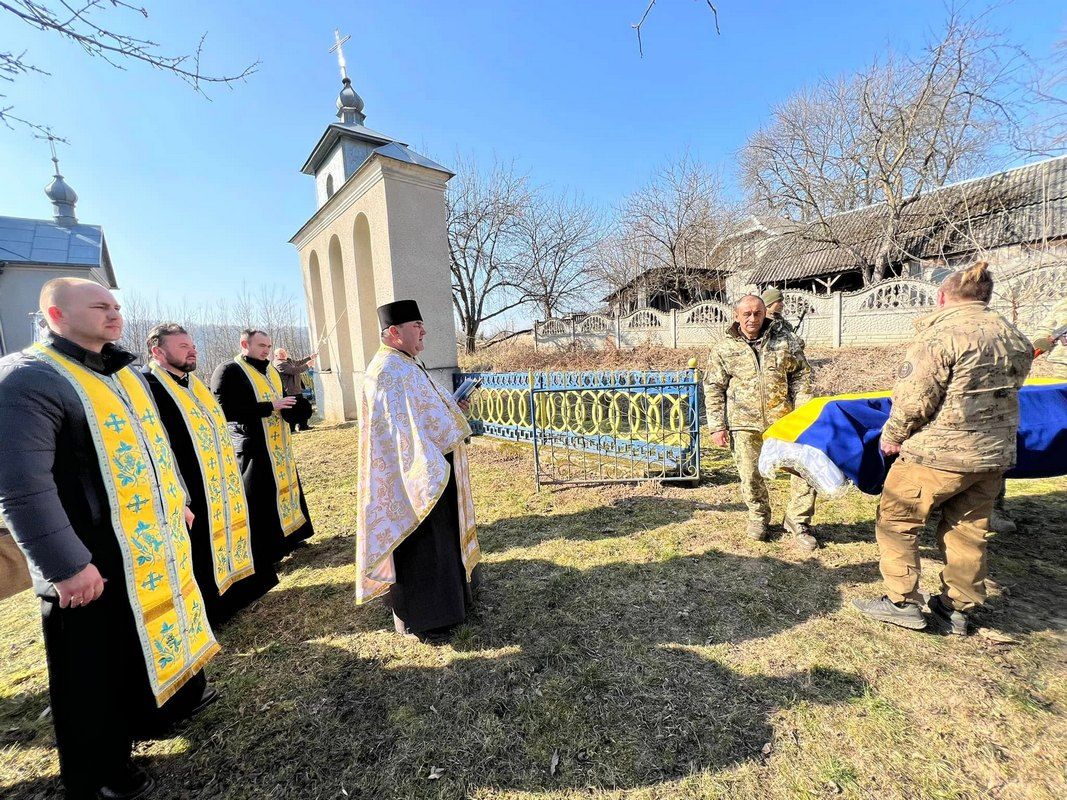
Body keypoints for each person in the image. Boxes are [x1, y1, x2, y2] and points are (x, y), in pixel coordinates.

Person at [0, 278, 220, 800]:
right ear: (55, 315)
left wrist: (178, 499)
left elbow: (154, 445)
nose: (114, 313)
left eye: (116, 305)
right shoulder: (26, 379)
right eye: (99, 306)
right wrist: (64, 565)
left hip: (142, 543)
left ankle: (154, 712)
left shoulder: (122, 374)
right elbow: (21, 485)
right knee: (87, 671)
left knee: (136, 642)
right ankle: (99, 773)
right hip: (87, 556)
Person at [853, 262, 1033, 635]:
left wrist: (893, 435)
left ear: (941, 296)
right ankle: (957, 609)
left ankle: (902, 601)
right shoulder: (1012, 335)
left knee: (898, 521)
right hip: (991, 456)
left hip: (937, 454)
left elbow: (915, 398)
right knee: (969, 530)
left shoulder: (941, 335)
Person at [355, 300, 481, 645]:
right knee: (424, 546)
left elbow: (421, 414)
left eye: (423, 325)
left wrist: (453, 408)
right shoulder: (386, 371)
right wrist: (445, 430)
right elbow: (398, 433)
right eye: (416, 326)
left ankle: (451, 603)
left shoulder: (407, 364)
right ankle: (429, 616)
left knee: (442, 541)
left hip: (434, 465)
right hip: (413, 477)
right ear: (394, 332)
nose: (424, 331)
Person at [142, 323, 277, 624]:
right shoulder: (148, 386)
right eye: (182, 347)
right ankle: (212, 607)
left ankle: (236, 591)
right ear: (157, 351)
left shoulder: (193, 383)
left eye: (192, 345)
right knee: (200, 548)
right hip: (189, 484)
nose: (192, 350)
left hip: (216, 478)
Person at [705, 295, 820, 550]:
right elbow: (714, 387)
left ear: (765, 314)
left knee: (803, 470)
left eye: (757, 313)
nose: (752, 319)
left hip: (786, 421)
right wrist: (717, 425)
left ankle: (798, 521)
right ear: (737, 316)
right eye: (746, 314)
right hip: (743, 423)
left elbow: (802, 376)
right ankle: (758, 517)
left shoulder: (784, 341)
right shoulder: (724, 348)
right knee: (750, 475)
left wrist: (804, 414)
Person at [211, 329, 314, 563]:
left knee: (286, 488)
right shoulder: (228, 371)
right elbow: (224, 410)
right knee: (261, 498)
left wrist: (296, 408)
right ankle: (270, 549)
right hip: (253, 445)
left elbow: (284, 399)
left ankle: (292, 536)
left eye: (268, 346)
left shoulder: (271, 370)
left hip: (279, 443)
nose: (266, 350)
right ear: (244, 344)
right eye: (261, 346)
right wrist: (269, 406)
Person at [272, 347, 317, 432]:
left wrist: (310, 357)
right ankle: (291, 429)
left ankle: (303, 426)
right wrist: (308, 365)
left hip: (297, 389)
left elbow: (299, 363)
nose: (283, 354)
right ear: (276, 355)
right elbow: (294, 370)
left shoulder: (288, 360)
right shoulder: (279, 364)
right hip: (289, 391)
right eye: (281, 353)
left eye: (284, 352)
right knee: (291, 411)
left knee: (302, 408)